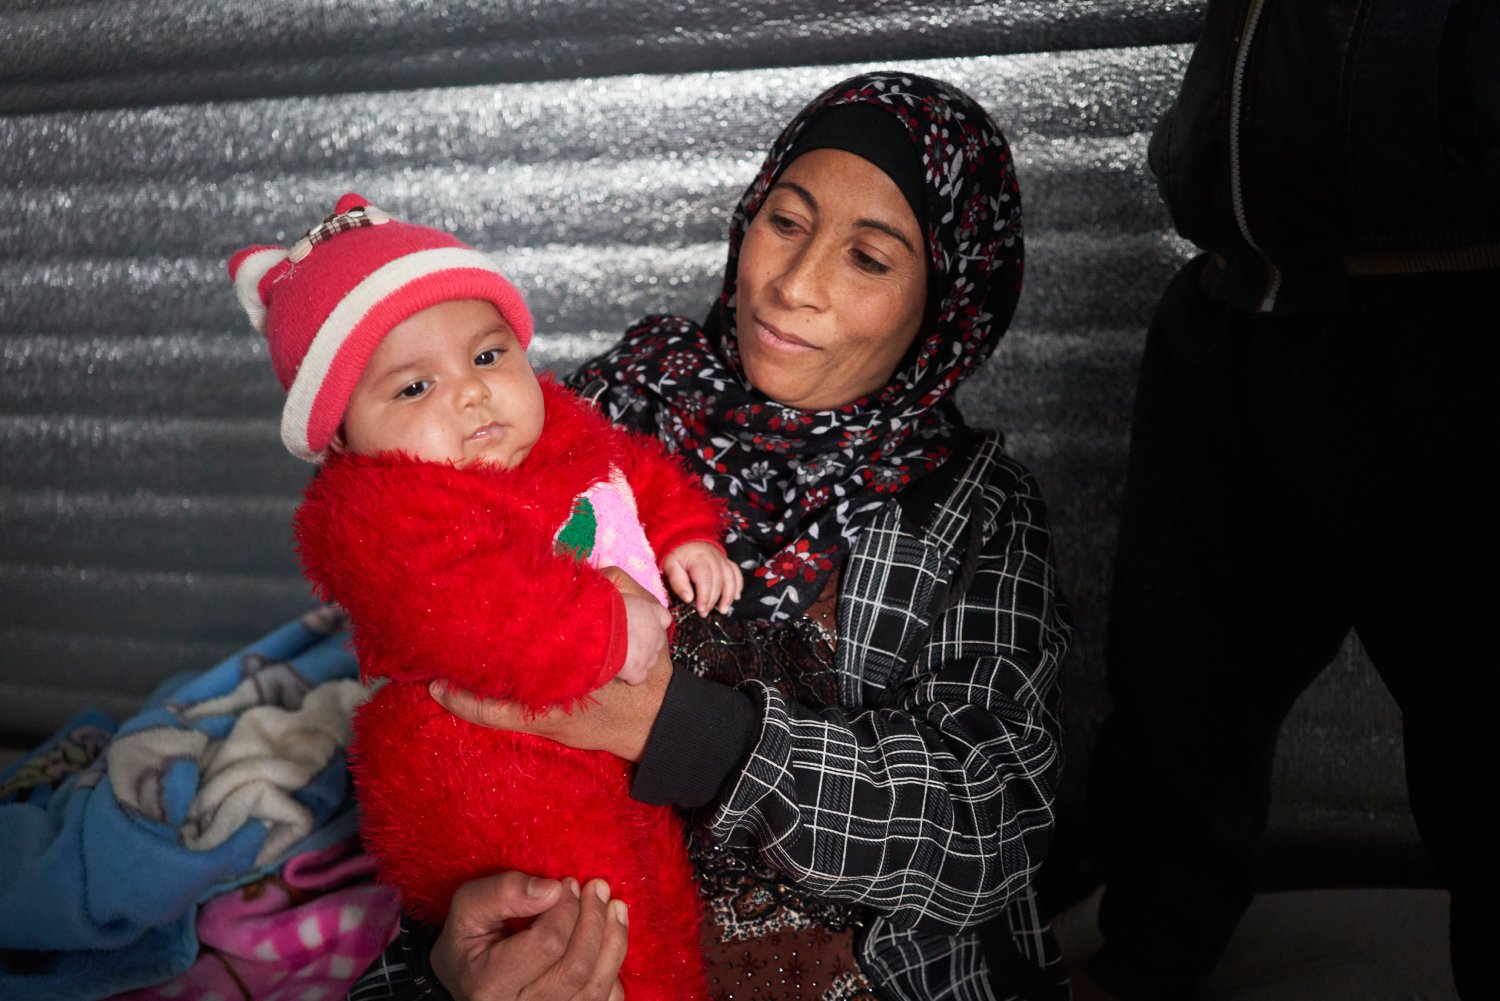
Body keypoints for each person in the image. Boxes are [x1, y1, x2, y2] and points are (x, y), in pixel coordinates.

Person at [349, 69, 1072, 1001]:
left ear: (946, 302)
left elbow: (993, 824)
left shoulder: (976, 510)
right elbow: (441, 708)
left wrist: (680, 730)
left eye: (869, 259)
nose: (794, 284)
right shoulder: (607, 410)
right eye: (786, 221)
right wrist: (453, 962)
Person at [1068, 2, 1500, 999]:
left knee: (1485, 732)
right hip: (1236, 301)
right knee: (1177, 688)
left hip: (1452, 305)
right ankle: (1144, 961)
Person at [227, 193, 742, 999]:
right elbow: (474, 606)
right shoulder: (380, 510)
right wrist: (607, 627)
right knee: (590, 920)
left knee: (659, 890)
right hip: (486, 769)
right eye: (413, 388)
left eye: (488, 355)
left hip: (603, 746)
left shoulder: (561, 428)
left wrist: (685, 534)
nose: (470, 393)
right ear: (344, 437)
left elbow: (633, 473)